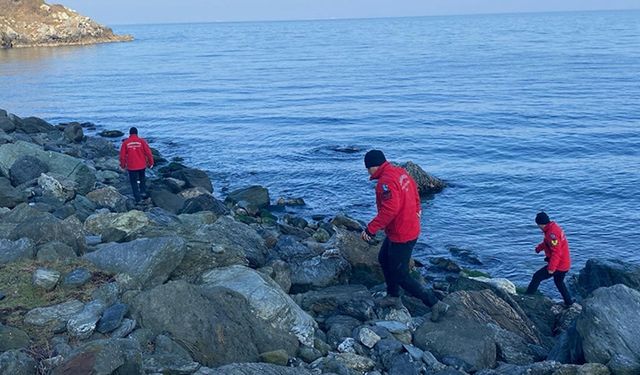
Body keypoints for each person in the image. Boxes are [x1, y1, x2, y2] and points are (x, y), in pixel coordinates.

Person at [360, 149, 448, 321]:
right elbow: (414, 190)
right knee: (384, 258)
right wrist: (417, 210)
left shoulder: (385, 182)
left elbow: (390, 209)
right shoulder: (400, 172)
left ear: (372, 167)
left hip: (402, 233)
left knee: (402, 275)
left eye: (367, 168)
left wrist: (371, 229)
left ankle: (435, 304)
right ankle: (393, 296)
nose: (367, 172)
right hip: (405, 227)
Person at [525, 211, 574, 306]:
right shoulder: (552, 228)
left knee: (537, 277)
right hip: (564, 263)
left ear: (541, 224)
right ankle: (569, 302)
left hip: (559, 265)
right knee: (559, 282)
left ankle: (527, 298)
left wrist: (551, 268)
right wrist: (539, 248)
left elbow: (556, 252)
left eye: (538, 225)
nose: (538, 227)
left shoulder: (552, 234)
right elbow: (547, 243)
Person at [119, 127, 154, 203]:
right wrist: (151, 163)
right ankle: (143, 193)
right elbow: (148, 153)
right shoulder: (142, 141)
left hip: (132, 166)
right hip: (142, 165)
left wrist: (123, 165)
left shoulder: (125, 142)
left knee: (133, 182)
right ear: (137, 133)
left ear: (130, 134)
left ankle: (137, 198)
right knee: (142, 179)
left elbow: (122, 156)